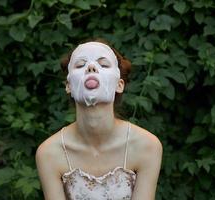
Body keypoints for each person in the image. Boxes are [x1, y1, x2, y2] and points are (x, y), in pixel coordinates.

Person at [36, 39, 163, 200]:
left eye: (103, 64)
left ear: (119, 85)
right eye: (80, 65)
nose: (91, 67)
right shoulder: (49, 153)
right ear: (68, 85)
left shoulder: (147, 146)